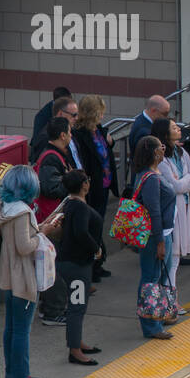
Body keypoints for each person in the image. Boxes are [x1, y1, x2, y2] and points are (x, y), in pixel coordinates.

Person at [0, 165, 62, 378]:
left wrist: (40, 229)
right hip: (23, 276)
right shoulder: (23, 212)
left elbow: (17, 239)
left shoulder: (4, 206)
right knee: (22, 331)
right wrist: (44, 233)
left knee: (11, 328)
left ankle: (11, 375)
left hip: (8, 274)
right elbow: (25, 246)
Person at [129, 136, 176, 338]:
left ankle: (158, 316)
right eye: (161, 147)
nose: (164, 150)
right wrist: (159, 242)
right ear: (155, 153)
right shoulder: (150, 179)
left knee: (159, 277)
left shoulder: (149, 174)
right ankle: (150, 326)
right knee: (151, 279)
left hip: (163, 233)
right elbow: (154, 212)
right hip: (154, 237)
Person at [56, 169, 102, 366]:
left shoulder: (70, 204)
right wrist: (96, 248)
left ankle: (77, 341)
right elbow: (81, 233)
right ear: (84, 185)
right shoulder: (79, 207)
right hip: (77, 265)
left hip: (72, 263)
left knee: (78, 305)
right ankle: (74, 351)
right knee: (77, 307)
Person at [153, 117, 190, 306]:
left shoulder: (181, 152)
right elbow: (175, 187)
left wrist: (184, 180)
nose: (178, 129)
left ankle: (170, 301)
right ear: (165, 134)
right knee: (171, 259)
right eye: (174, 128)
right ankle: (169, 303)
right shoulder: (161, 159)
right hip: (170, 213)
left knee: (175, 259)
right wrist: (186, 179)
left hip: (183, 208)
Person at [33, 117, 75, 328]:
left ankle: (48, 307)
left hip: (51, 219)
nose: (71, 135)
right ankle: (53, 311)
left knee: (51, 265)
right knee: (53, 266)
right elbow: (50, 188)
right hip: (51, 220)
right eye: (70, 131)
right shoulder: (51, 158)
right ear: (62, 135)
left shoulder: (54, 155)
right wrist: (71, 181)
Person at [70, 95, 117, 282]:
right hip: (91, 187)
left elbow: (105, 150)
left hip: (103, 185)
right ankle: (91, 267)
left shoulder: (99, 130)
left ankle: (97, 264)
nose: (103, 116)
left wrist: (110, 141)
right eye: (100, 113)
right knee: (91, 226)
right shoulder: (80, 134)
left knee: (98, 225)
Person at [29, 96, 77, 162]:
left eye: (77, 115)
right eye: (74, 115)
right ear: (60, 114)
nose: (76, 118)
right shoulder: (45, 138)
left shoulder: (72, 132)